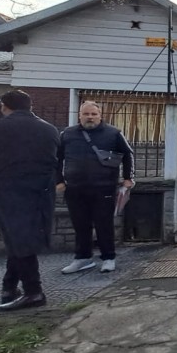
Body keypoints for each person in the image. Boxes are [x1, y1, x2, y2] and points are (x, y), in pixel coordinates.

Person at [0, 90, 60, 312]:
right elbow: (55, 159)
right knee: (21, 237)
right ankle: (9, 287)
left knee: (17, 237)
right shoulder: (49, 129)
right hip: (41, 191)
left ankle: (34, 291)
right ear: (30, 106)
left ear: (4, 105)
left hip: (8, 190)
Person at [57, 101, 134, 274]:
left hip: (104, 188)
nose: (90, 117)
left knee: (103, 224)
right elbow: (57, 158)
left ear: (100, 115)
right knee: (80, 225)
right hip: (75, 188)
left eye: (93, 114)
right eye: (86, 114)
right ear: (80, 115)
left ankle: (108, 257)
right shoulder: (67, 134)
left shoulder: (113, 133)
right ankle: (82, 258)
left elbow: (128, 154)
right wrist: (58, 181)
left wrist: (128, 178)